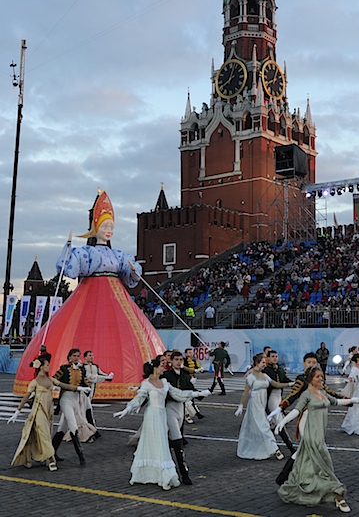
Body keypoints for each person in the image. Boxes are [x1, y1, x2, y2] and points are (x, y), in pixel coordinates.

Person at [11, 190, 166, 400]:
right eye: (104, 226)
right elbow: (71, 269)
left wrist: (133, 269)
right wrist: (67, 250)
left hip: (116, 294)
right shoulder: (88, 253)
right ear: (95, 228)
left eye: (111, 226)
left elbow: (132, 278)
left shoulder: (118, 255)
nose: (108, 230)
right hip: (91, 291)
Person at [275, 367, 359, 513]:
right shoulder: (306, 395)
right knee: (323, 463)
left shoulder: (322, 393)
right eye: (317, 377)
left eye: (321, 377)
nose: (321, 379)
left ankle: (315, 488)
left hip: (320, 434)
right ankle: (336, 494)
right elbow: (296, 410)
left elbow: (335, 401)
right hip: (310, 434)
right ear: (310, 379)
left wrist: (353, 400)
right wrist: (282, 422)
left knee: (317, 465)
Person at [114, 356, 208, 490]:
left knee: (163, 443)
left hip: (162, 415)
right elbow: (140, 398)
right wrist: (128, 408)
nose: (164, 368)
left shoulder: (164, 382)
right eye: (161, 366)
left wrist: (197, 394)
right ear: (155, 368)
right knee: (156, 444)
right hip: (152, 416)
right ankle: (162, 476)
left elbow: (178, 393)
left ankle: (162, 475)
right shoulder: (147, 383)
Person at [8, 355, 85, 471]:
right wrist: (17, 411)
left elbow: (63, 385)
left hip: (49, 411)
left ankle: (28, 458)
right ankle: (51, 460)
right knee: (44, 435)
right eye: (47, 365)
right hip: (39, 410)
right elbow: (26, 397)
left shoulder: (50, 380)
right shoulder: (34, 382)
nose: (49, 367)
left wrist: (79, 389)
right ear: (41, 367)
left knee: (46, 435)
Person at [162, 351, 210, 483]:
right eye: (176, 359)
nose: (179, 362)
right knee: (177, 442)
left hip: (180, 409)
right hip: (169, 408)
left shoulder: (184, 375)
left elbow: (191, 388)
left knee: (175, 440)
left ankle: (172, 469)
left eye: (180, 359)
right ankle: (184, 473)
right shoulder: (166, 375)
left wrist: (202, 394)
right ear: (171, 361)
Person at [236, 353, 291, 460]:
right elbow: (245, 392)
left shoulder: (265, 376)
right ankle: (275, 449)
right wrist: (241, 405)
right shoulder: (251, 377)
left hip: (262, 403)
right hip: (255, 404)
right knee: (264, 426)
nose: (264, 365)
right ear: (257, 363)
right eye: (262, 363)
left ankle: (262, 447)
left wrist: (291, 384)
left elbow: (276, 384)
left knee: (259, 426)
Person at [51, 348, 94, 465]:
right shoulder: (64, 369)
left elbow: (86, 382)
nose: (76, 357)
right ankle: (81, 456)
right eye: (74, 355)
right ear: (69, 357)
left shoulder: (82, 369)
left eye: (77, 355)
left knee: (62, 428)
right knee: (73, 425)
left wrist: (88, 389)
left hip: (76, 400)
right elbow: (54, 380)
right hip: (66, 399)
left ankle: (52, 452)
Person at [263, 349, 296, 452]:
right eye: (272, 356)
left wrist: (296, 383)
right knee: (279, 421)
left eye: (276, 356)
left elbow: (284, 379)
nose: (275, 358)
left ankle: (269, 445)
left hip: (279, 397)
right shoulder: (266, 370)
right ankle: (290, 447)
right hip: (271, 397)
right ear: (268, 358)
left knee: (273, 424)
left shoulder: (280, 369)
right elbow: (275, 384)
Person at [82, 350, 113, 438]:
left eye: (92, 355)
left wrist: (107, 376)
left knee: (87, 408)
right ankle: (91, 428)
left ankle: (89, 428)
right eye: (90, 355)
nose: (92, 357)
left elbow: (100, 373)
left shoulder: (95, 366)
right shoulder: (83, 367)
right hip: (84, 389)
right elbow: (90, 377)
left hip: (92, 388)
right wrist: (106, 378)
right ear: (85, 357)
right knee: (86, 409)